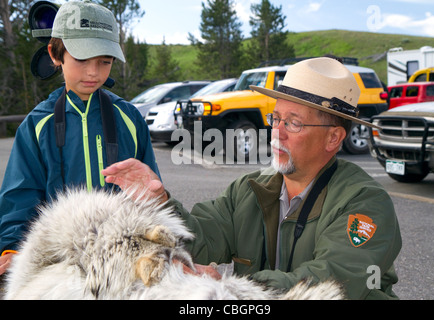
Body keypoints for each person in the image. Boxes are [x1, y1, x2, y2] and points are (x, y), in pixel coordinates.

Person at [104, 58, 402, 299]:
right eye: (276, 118)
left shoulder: (365, 202)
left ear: (333, 138)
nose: (278, 131)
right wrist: (161, 203)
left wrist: (230, 288)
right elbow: (201, 238)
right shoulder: (249, 190)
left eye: (294, 123)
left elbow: (334, 281)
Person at [0, 1, 160, 275]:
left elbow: (151, 193)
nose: (93, 72)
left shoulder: (130, 119)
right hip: (59, 267)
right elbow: (20, 200)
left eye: (105, 61)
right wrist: (14, 249)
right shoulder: (37, 125)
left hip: (122, 267)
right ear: (54, 54)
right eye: (82, 59)